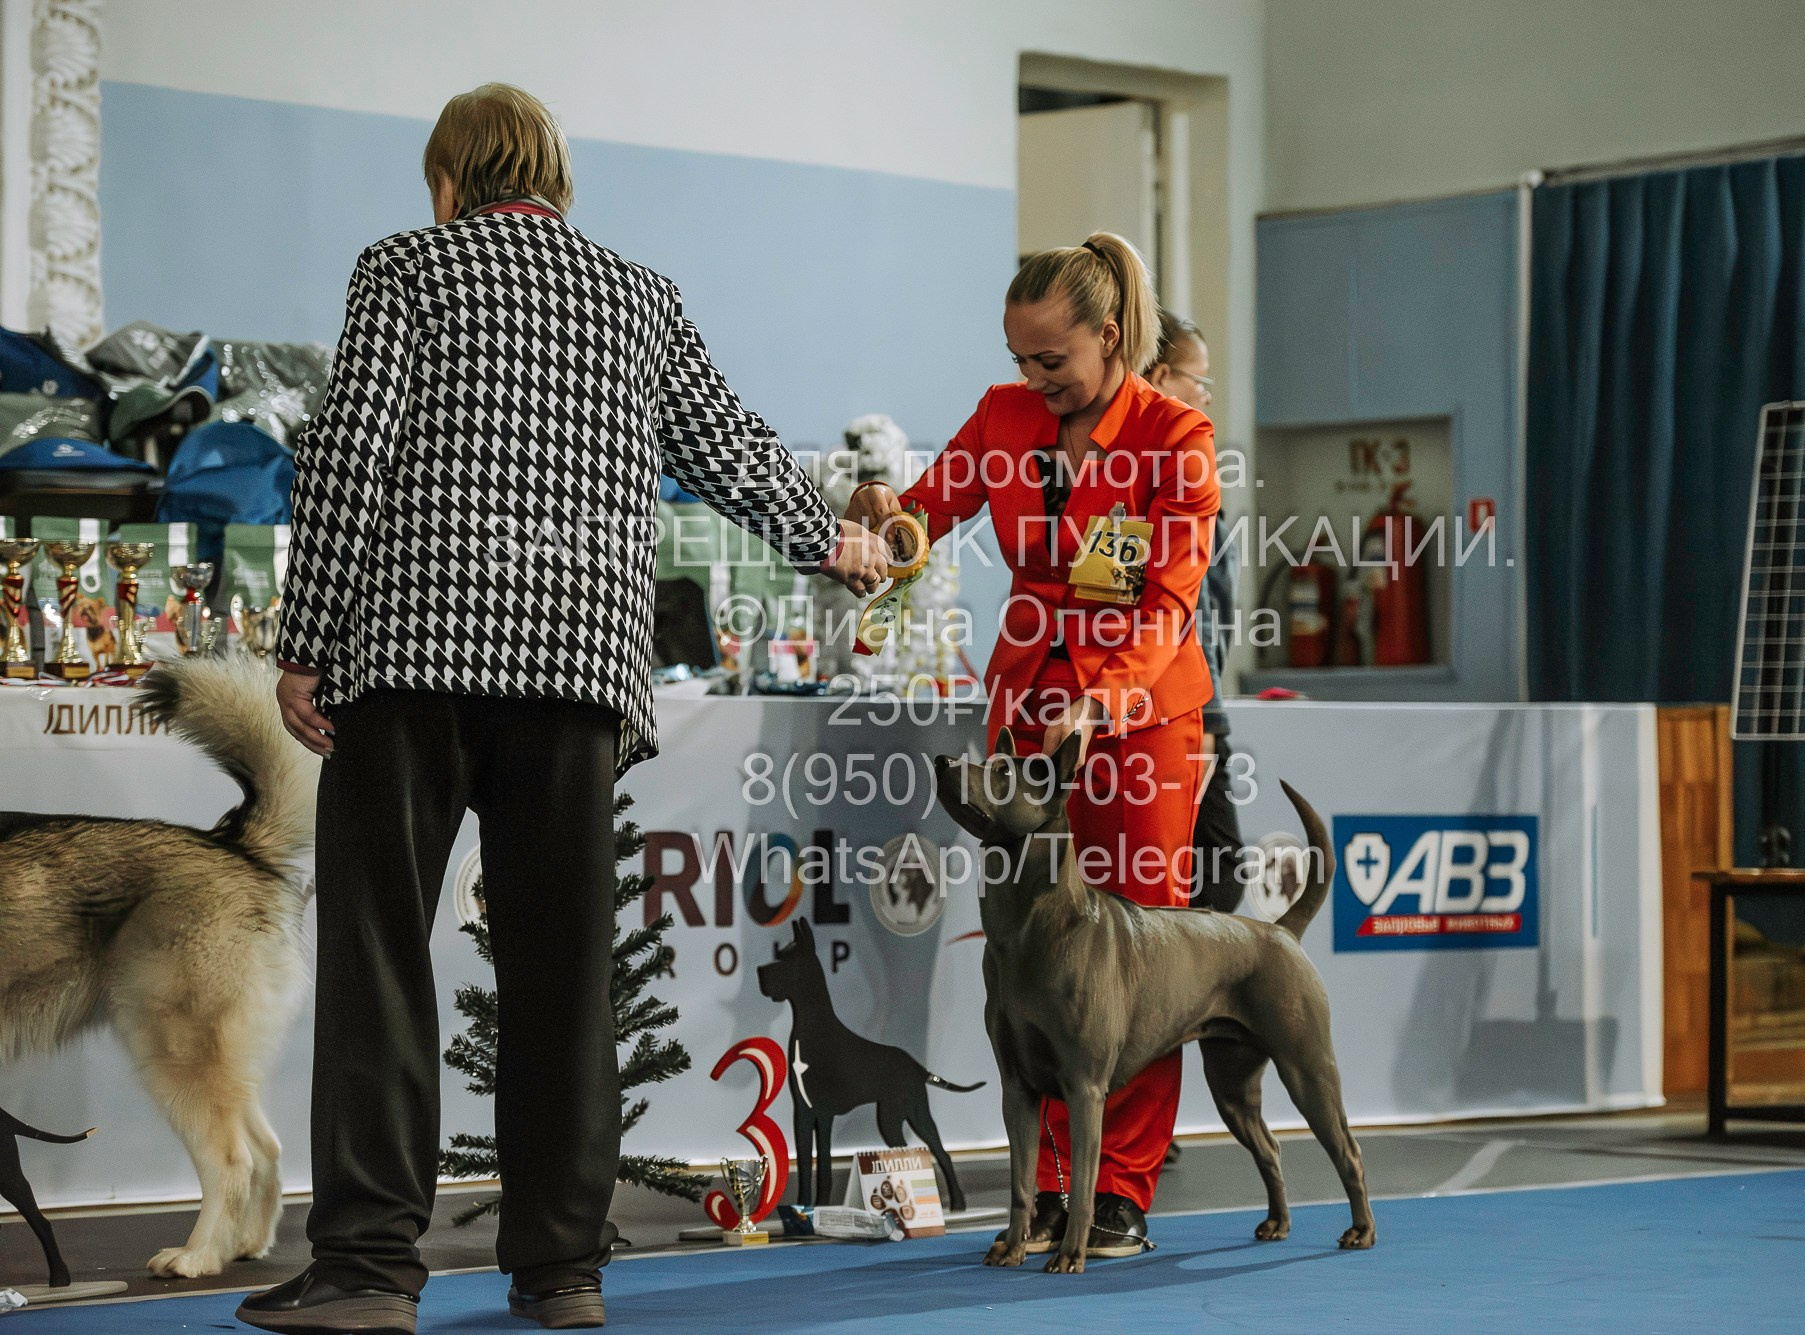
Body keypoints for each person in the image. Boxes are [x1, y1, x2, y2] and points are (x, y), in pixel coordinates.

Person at [243, 84, 887, 1335]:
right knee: (563, 975)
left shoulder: (407, 268)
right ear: (553, 177)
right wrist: (835, 542)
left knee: (382, 965)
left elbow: (347, 456)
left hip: (414, 657)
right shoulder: (636, 295)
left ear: (450, 178)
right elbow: (727, 445)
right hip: (577, 679)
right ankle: (561, 1272)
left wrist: (306, 641)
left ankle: (368, 1272)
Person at [846, 231, 1219, 1257]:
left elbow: (1166, 604)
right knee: (1029, 954)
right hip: (1023, 716)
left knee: (1135, 956)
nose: (1033, 379)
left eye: (1052, 359)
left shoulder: (1177, 438)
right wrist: (887, 522)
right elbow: (930, 514)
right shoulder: (1002, 416)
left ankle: (1121, 1187)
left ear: (1111, 336)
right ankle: (1053, 1183)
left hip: (1139, 721)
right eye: (1019, 359)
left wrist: (1100, 701)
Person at [1144, 313, 1245, 914]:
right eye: (1199, 380)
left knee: (1201, 882)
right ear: (1161, 376)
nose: (1206, 396)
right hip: (1179, 704)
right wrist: (1206, 719)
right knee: (1215, 879)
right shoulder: (1166, 471)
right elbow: (1190, 614)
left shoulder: (1175, 462)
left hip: (1176, 699)